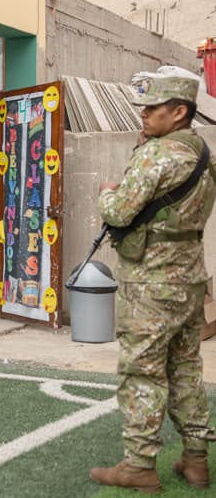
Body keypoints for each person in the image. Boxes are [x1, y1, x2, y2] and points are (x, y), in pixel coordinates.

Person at [90, 69, 215, 493]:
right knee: (186, 368)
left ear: (179, 112)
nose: (143, 113)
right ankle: (196, 460)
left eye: (152, 107)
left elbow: (120, 211)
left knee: (141, 372)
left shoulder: (157, 155)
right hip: (190, 278)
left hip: (150, 283)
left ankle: (139, 465)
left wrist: (106, 191)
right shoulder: (203, 153)